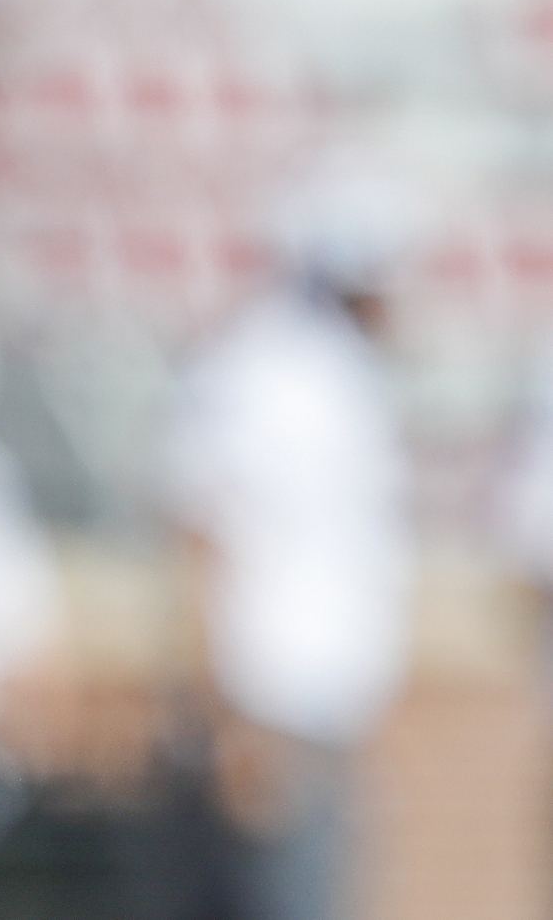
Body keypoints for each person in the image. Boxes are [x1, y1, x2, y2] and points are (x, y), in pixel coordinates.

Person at [161, 166, 413, 920]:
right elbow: (202, 534)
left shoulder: (333, 375)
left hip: (317, 712)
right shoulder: (263, 371)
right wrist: (228, 714)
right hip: (268, 711)